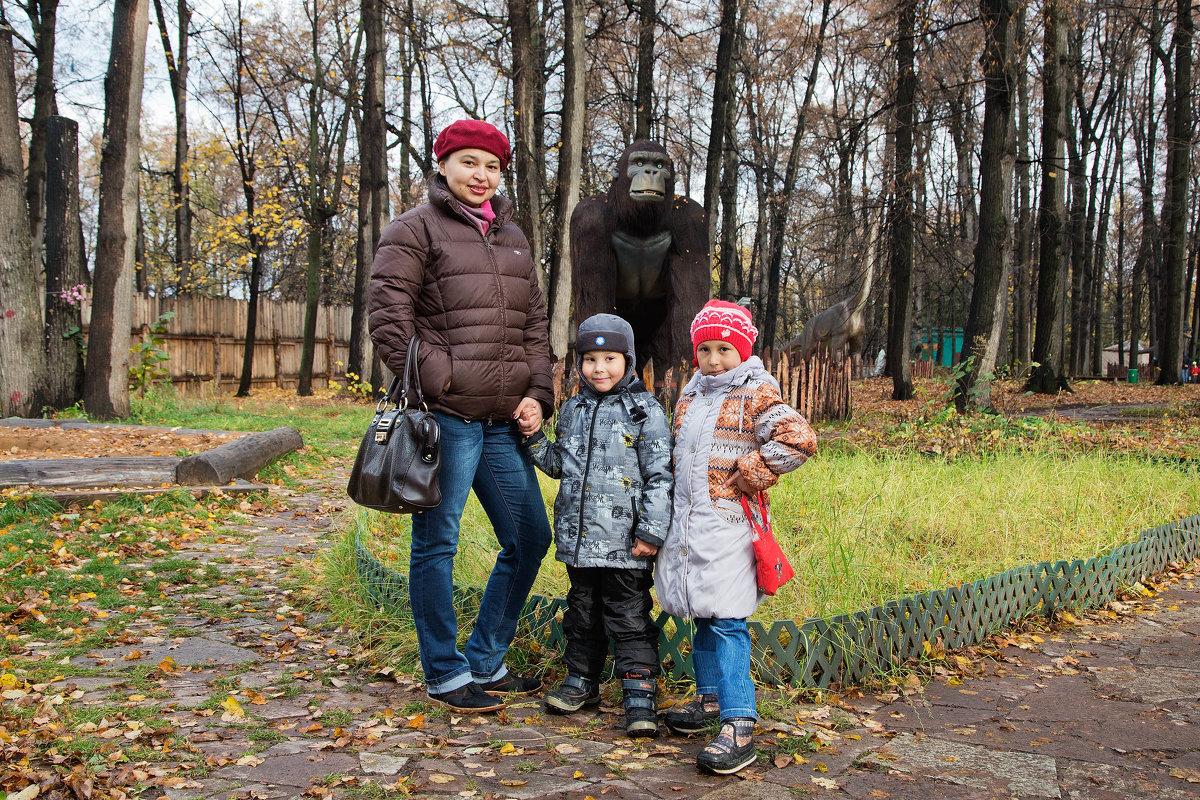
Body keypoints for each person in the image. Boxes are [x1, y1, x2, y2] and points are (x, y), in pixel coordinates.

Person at [368, 119, 553, 713]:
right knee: (437, 545)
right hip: (445, 419)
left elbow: (533, 327)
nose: (481, 176)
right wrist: (436, 382)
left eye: (493, 166)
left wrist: (539, 394)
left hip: (501, 423)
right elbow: (388, 319)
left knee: (528, 538)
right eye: (469, 162)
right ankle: (445, 673)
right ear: (443, 165)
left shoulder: (514, 238)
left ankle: (484, 659)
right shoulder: (413, 230)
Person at [655, 300, 817, 775]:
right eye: (705, 349)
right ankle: (708, 701)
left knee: (726, 620)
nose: (714, 359)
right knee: (703, 615)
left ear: (743, 350)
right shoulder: (690, 395)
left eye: (725, 348)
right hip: (690, 525)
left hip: (729, 525)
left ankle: (739, 723)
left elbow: (799, 438)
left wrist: (752, 471)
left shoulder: (756, 393)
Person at [523, 313, 672, 737]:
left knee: (628, 617)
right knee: (583, 613)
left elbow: (661, 476)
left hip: (626, 544)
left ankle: (639, 694)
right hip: (579, 542)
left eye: (609, 358)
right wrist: (534, 439)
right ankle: (581, 681)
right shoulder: (573, 409)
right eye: (590, 359)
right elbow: (560, 467)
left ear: (628, 360)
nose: (599, 368)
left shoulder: (644, 411)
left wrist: (650, 531)